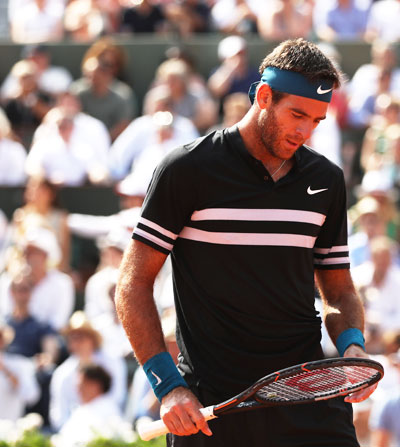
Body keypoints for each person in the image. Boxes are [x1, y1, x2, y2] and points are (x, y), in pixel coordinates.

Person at [114, 38, 375, 445]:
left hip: (308, 398)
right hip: (211, 404)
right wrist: (167, 386)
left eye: (317, 121)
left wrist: (353, 347)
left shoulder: (326, 181)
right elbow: (132, 284)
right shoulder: (186, 170)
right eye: (297, 115)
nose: (305, 131)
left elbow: (338, 289)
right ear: (265, 96)